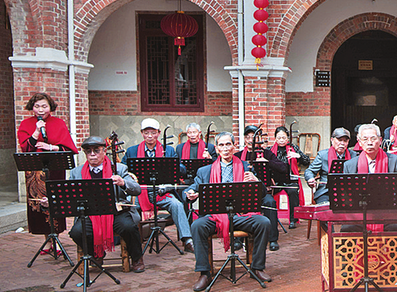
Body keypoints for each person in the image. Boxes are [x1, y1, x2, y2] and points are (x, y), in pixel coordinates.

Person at [185, 132, 272, 292]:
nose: (225, 148)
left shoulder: (246, 167)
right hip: (215, 216)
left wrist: (256, 181)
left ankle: (257, 268)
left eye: (228, 144)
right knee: (197, 226)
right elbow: (193, 187)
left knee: (264, 223)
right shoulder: (205, 171)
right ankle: (204, 273)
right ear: (216, 148)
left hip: (241, 215)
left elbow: (263, 194)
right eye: (221, 145)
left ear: (234, 146)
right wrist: (190, 193)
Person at [67, 135, 145, 273]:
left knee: (128, 227)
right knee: (77, 232)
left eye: (96, 150)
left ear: (104, 151)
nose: (92, 154)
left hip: (116, 212)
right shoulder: (76, 172)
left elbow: (137, 189)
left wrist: (123, 183)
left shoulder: (119, 168)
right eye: (88, 151)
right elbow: (69, 195)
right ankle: (96, 254)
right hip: (90, 214)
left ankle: (136, 258)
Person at [16, 92, 79, 249]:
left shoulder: (59, 123)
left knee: (55, 201)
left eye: (44, 106)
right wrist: (36, 131)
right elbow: (25, 148)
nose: (40, 110)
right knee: (39, 204)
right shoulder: (26, 124)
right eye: (37, 106)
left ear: (50, 107)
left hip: (55, 168)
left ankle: (56, 238)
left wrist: (50, 147)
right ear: (32, 107)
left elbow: (68, 148)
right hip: (35, 172)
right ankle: (47, 239)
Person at [122, 118, 193, 252]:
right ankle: (132, 245)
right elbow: (123, 170)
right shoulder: (132, 151)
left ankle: (188, 240)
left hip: (161, 191)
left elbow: (182, 170)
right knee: (130, 209)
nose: (150, 136)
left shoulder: (168, 150)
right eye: (146, 133)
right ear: (142, 133)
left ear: (158, 133)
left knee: (177, 205)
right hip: (140, 191)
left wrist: (171, 164)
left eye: (153, 133)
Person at [342, 123, 397, 232]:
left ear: (380, 140)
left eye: (373, 139)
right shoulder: (350, 165)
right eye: (365, 139)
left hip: (388, 212)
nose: (369, 143)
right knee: (347, 229)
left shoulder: (393, 161)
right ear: (359, 142)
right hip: (359, 213)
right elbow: (345, 193)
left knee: (396, 228)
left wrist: (390, 200)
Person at [235, 124, 289, 250]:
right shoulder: (238, 156)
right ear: (244, 139)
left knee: (270, 202)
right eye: (248, 137)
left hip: (262, 192)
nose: (250, 140)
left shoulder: (267, 154)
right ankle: (238, 239)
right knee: (236, 204)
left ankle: (272, 239)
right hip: (242, 193)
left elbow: (284, 168)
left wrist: (268, 163)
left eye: (253, 137)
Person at [270, 125, 310, 228]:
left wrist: (298, 156)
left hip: (290, 180)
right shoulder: (270, 150)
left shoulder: (293, 148)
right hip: (276, 181)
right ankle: (271, 219)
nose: (281, 140)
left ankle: (293, 219)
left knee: (293, 192)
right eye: (279, 138)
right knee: (268, 193)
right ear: (275, 138)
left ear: (287, 138)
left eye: (284, 137)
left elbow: (307, 161)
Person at [305, 127, 355, 204]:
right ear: (332, 140)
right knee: (325, 207)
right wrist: (310, 178)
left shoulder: (354, 155)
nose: (342, 143)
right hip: (326, 192)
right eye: (339, 140)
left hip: (347, 191)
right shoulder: (323, 155)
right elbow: (310, 171)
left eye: (345, 141)